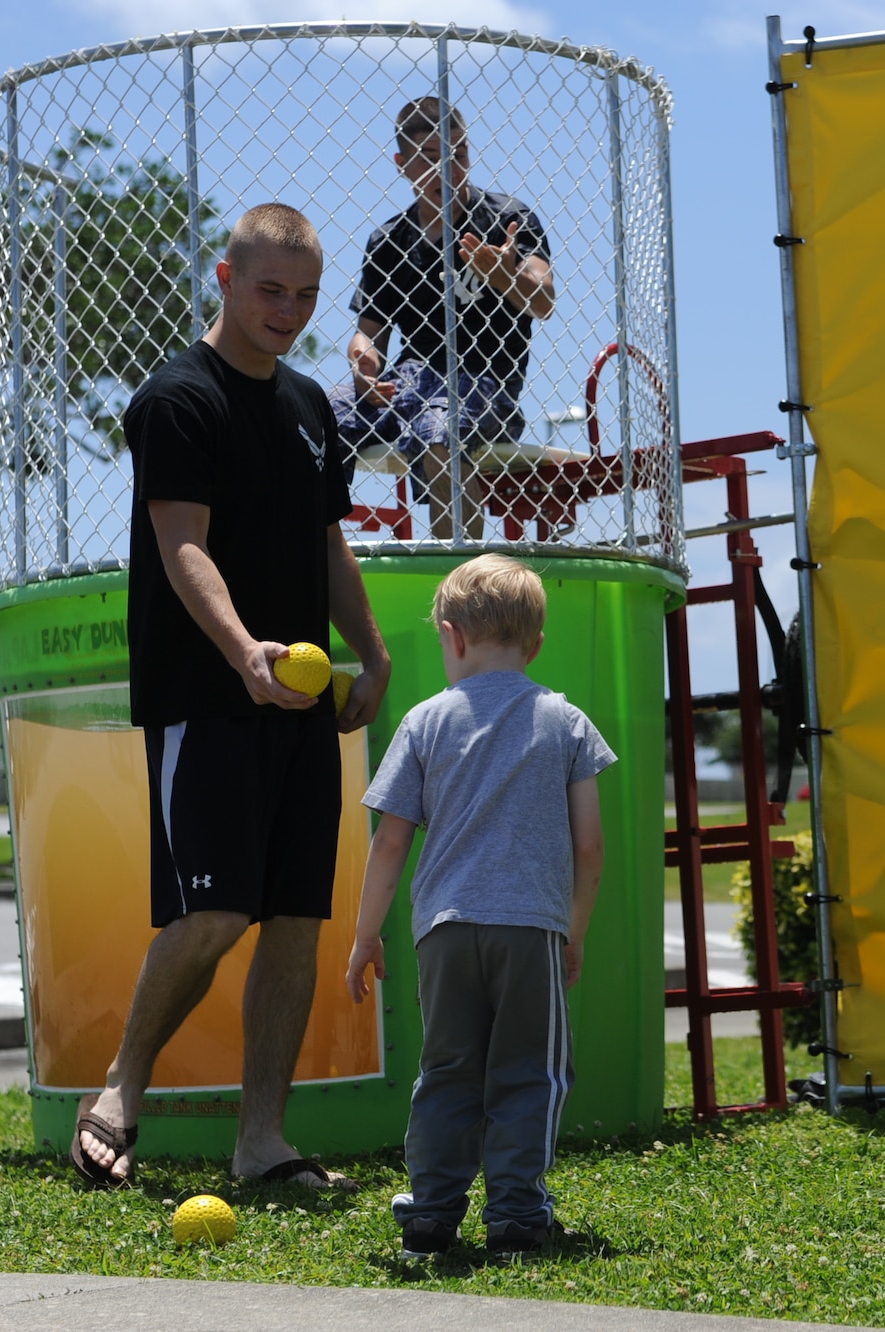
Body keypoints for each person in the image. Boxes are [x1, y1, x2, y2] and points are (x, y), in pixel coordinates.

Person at [70, 202, 392, 1192]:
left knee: (294, 920)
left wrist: (370, 654)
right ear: (223, 276)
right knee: (213, 918)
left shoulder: (309, 405)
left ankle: (262, 1145)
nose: (287, 312)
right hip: (205, 697)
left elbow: (323, 542)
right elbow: (181, 544)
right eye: (269, 290)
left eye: (303, 296)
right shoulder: (178, 398)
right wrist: (243, 650)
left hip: (300, 707)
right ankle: (121, 1089)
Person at [344, 554, 612, 1260]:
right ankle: (518, 1217)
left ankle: (432, 1214)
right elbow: (590, 848)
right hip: (531, 929)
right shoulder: (566, 721)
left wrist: (366, 934)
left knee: (448, 1069)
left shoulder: (424, 721)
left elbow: (390, 843)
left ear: (452, 635)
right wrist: (573, 933)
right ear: (536, 645)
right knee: (530, 1069)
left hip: (445, 931)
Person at [329, 96, 558, 540]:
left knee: (440, 427)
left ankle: (460, 578)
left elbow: (544, 300)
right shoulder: (389, 240)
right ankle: (312, 556)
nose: (449, 169)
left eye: (459, 153)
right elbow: (368, 333)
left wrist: (502, 275)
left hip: (485, 379)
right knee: (315, 416)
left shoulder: (507, 219)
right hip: (409, 378)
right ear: (402, 163)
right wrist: (364, 366)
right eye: (431, 158)